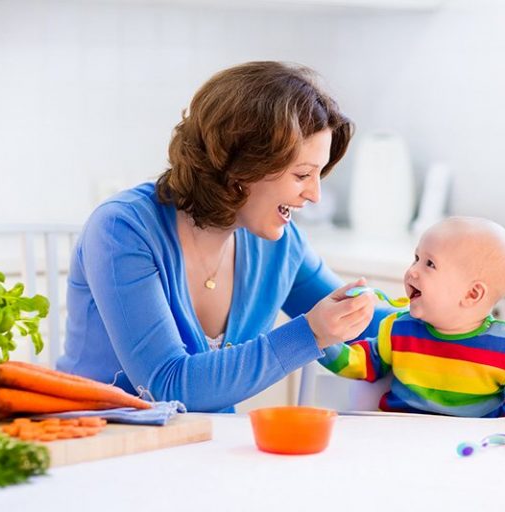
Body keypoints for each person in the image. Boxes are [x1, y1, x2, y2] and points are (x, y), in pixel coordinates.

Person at [56, 61, 382, 412]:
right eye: (302, 174)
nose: (314, 195)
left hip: (204, 448)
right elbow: (167, 385)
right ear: (242, 166)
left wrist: (436, 304)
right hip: (99, 443)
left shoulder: (281, 245)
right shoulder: (123, 230)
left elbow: (370, 327)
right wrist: (310, 334)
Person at [319, 217, 505, 418]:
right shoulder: (398, 329)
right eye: (416, 258)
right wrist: (321, 339)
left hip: (469, 452)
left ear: (471, 294)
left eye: (430, 264)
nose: (412, 270)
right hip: (400, 442)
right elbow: (360, 363)